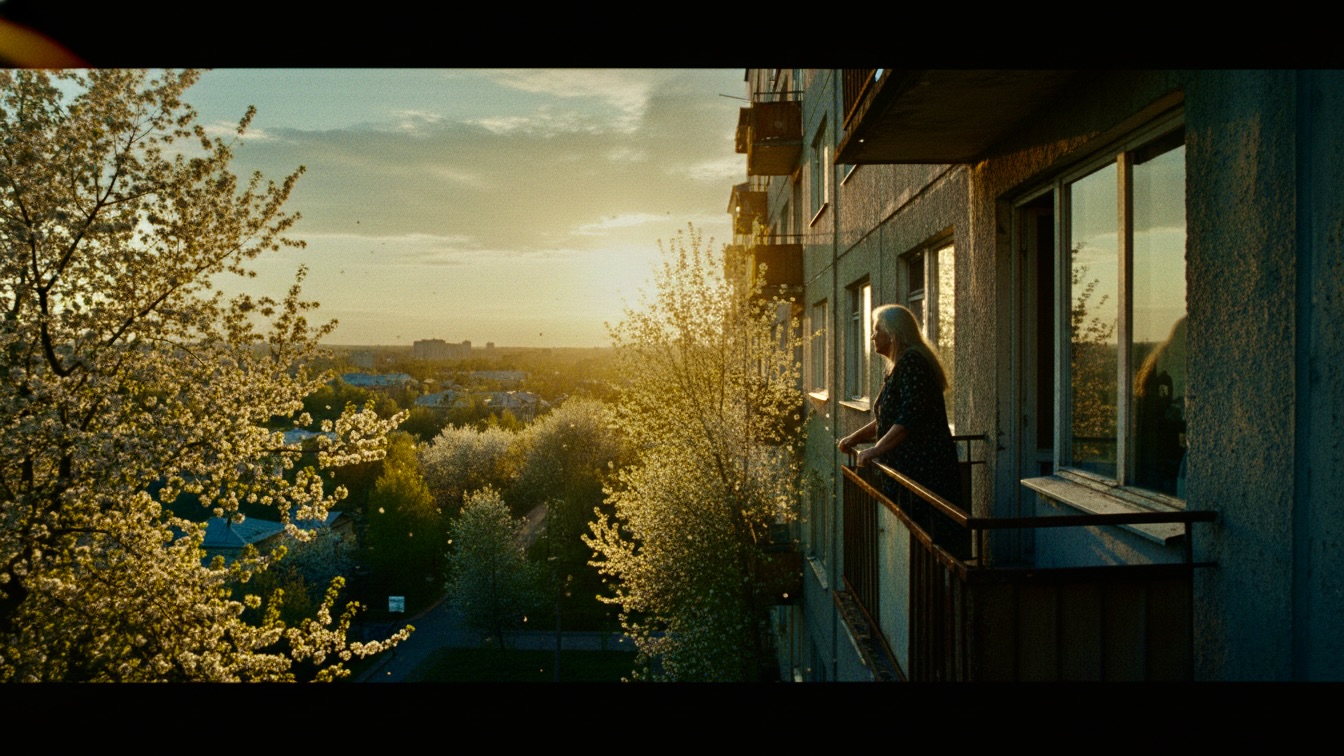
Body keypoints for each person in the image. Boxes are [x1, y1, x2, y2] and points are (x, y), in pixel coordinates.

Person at [837, 304, 968, 558]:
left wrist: (874, 450)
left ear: (893, 334)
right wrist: (855, 438)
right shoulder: (900, 365)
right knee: (913, 550)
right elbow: (887, 419)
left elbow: (908, 419)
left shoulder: (912, 363)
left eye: (877, 330)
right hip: (913, 474)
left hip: (924, 474)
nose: (872, 336)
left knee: (925, 550)